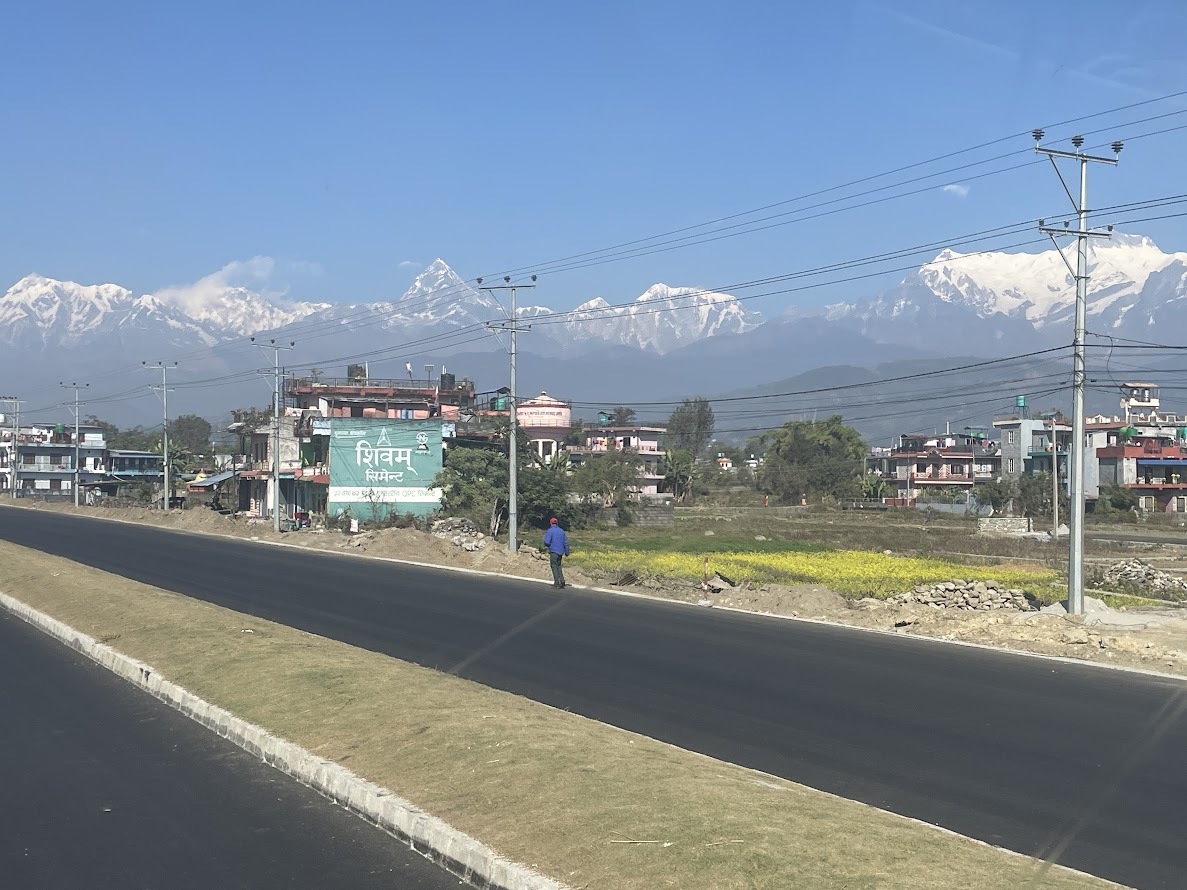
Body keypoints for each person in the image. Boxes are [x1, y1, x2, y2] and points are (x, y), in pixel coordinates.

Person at [543, 517, 570, 589]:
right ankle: (562, 581)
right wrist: (567, 552)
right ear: (557, 523)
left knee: (554, 566)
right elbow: (566, 542)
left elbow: (547, 541)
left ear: (551, 523)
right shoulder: (562, 531)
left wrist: (547, 546)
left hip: (554, 551)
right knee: (558, 566)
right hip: (560, 552)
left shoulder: (550, 531)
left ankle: (557, 582)